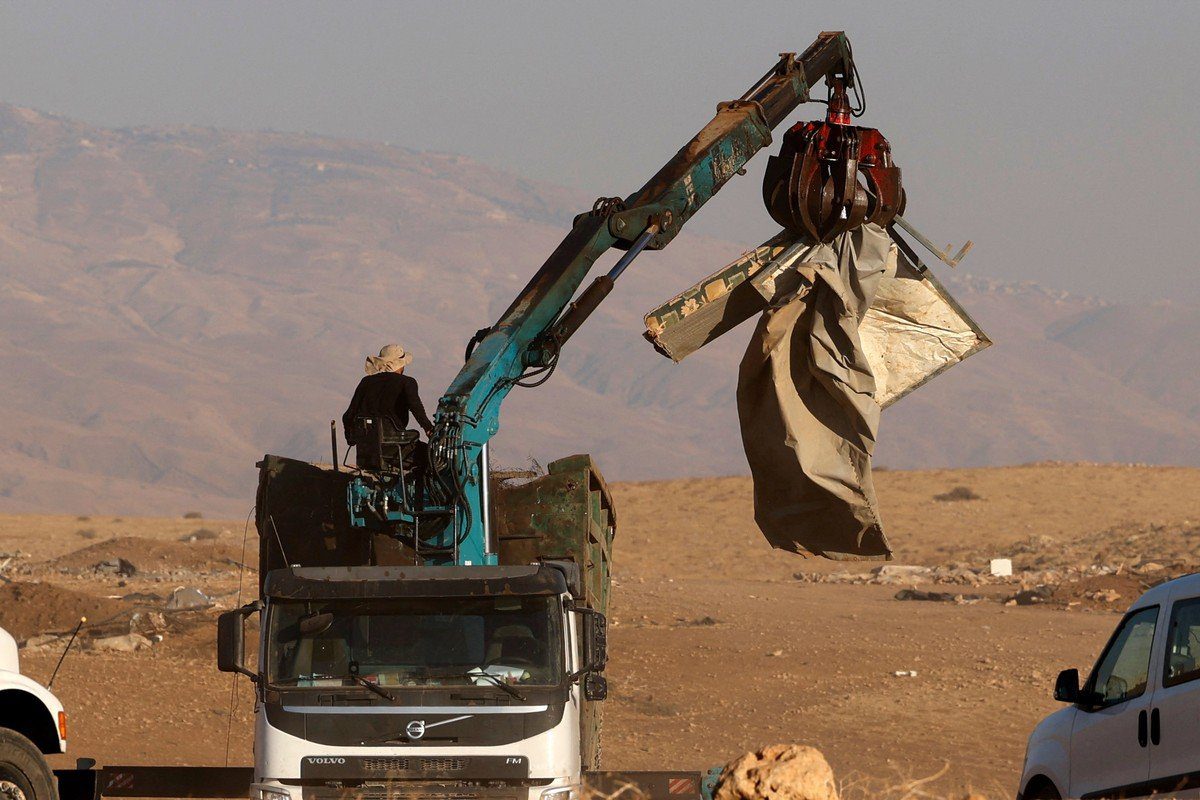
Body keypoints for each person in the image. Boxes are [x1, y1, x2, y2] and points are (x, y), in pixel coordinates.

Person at [343, 344, 434, 471]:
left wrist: (351, 438)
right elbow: (416, 408)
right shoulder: (407, 382)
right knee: (436, 457)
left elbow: (348, 415)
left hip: (367, 450)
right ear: (400, 364)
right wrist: (429, 429)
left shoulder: (366, 382)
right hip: (396, 450)